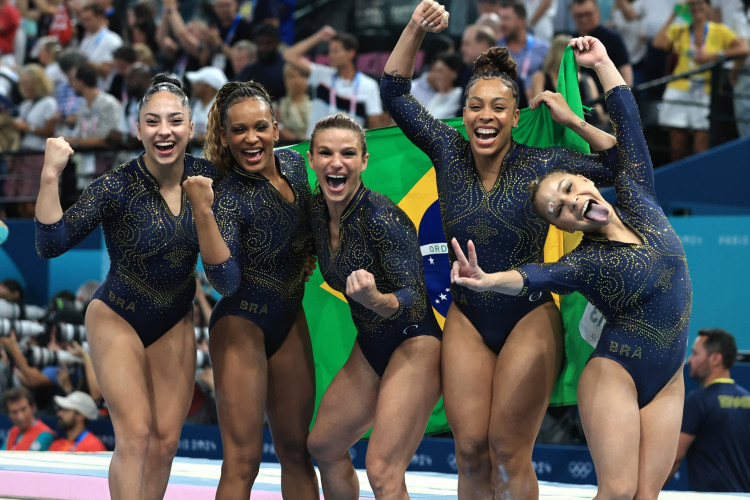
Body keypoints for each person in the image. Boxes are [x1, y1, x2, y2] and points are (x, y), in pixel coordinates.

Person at [382, 2, 621, 497]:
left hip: (528, 315)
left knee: (509, 454)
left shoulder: (542, 163)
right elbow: (395, 91)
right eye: (475, 106)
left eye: (498, 107)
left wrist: (572, 121)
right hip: (469, 317)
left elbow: (620, 164)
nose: (485, 117)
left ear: (516, 115)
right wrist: (414, 27)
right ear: (462, 113)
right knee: (470, 453)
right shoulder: (446, 151)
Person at [450, 35, 691, 499]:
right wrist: (487, 280)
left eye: (566, 188)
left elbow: (628, 127)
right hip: (614, 373)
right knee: (618, 493)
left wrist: (598, 67)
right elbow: (536, 276)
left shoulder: (638, 195)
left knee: (645, 496)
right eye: (557, 210)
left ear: (584, 178)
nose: (568, 203)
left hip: (670, 378)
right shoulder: (588, 260)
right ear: (564, 225)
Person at [34, 74, 217, 499]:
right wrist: (49, 175)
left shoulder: (210, 178)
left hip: (174, 317)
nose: (164, 131)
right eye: (152, 121)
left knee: (166, 442)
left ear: (191, 127)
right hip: (116, 315)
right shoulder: (115, 186)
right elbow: (49, 243)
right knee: (134, 435)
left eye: (174, 120)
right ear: (138, 130)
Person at [182, 80, 319, 499]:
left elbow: (346, 152)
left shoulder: (297, 165)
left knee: (297, 450)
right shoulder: (226, 198)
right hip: (241, 324)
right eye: (238, 130)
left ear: (277, 129)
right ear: (224, 137)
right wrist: (203, 212)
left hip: (289, 318)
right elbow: (225, 281)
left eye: (260, 127)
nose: (250, 138)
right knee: (243, 460)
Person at [305, 112, 442, 499]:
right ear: (312, 159)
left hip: (415, 342)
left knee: (382, 471)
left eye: (348, 153)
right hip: (372, 344)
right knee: (324, 446)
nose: (337, 162)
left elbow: (413, 296)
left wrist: (375, 299)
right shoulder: (314, 210)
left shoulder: (382, 216)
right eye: (326, 153)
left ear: (364, 161)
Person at [653, 0, 748, 161]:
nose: (696, 8)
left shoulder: (719, 30)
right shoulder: (680, 30)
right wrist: (674, 14)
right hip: (678, 88)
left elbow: (744, 48)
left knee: (700, 148)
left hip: (704, 91)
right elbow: (658, 43)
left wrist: (715, 56)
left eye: (700, 3)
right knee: (677, 147)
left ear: (709, 7)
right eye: (691, 5)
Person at [668, 328, 750, 492]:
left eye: (695, 353)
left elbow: (675, 457)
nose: (689, 360)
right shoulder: (748, 398)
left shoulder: (698, 401)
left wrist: (646, 492)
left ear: (715, 359)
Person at [283, 26, 389, 136]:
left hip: (348, 148)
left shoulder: (369, 85)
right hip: (315, 146)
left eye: (335, 51)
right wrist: (318, 37)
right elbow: (289, 56)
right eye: (330, 51)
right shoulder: (321, 75)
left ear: (351, 53)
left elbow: (375, 126)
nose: (330, 55)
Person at [6, 63, 57, 218]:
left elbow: (50, 131)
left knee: (33, 197)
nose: (25, 88)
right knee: (20, 198)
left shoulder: (49, 103)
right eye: (23, 84)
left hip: (38, 155)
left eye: (29, 84)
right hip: (23, 154)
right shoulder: (25, 104)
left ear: (38, 83)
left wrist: (27, 127)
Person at [570, 0, 633, 90]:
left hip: (608, 95)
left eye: (588, 14)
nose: (584, 19)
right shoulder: (570, 40)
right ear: (573, 16)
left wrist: (625, 95)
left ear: (597, 12)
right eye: (579, 16)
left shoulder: (612, 38)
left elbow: (625, 70)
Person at [497, 0, 551, 97]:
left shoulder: (544, 49)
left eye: (506, 19)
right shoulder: (495, 49)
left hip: (534, 104)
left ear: (521, 20)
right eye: (500, 19)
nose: (502, 24)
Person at [1, 386, 55, 451]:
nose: (20, 417)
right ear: (8, 414)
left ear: (33, 407)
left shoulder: (45, 434)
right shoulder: (12, 432)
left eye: (23, 409)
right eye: (14, 412)